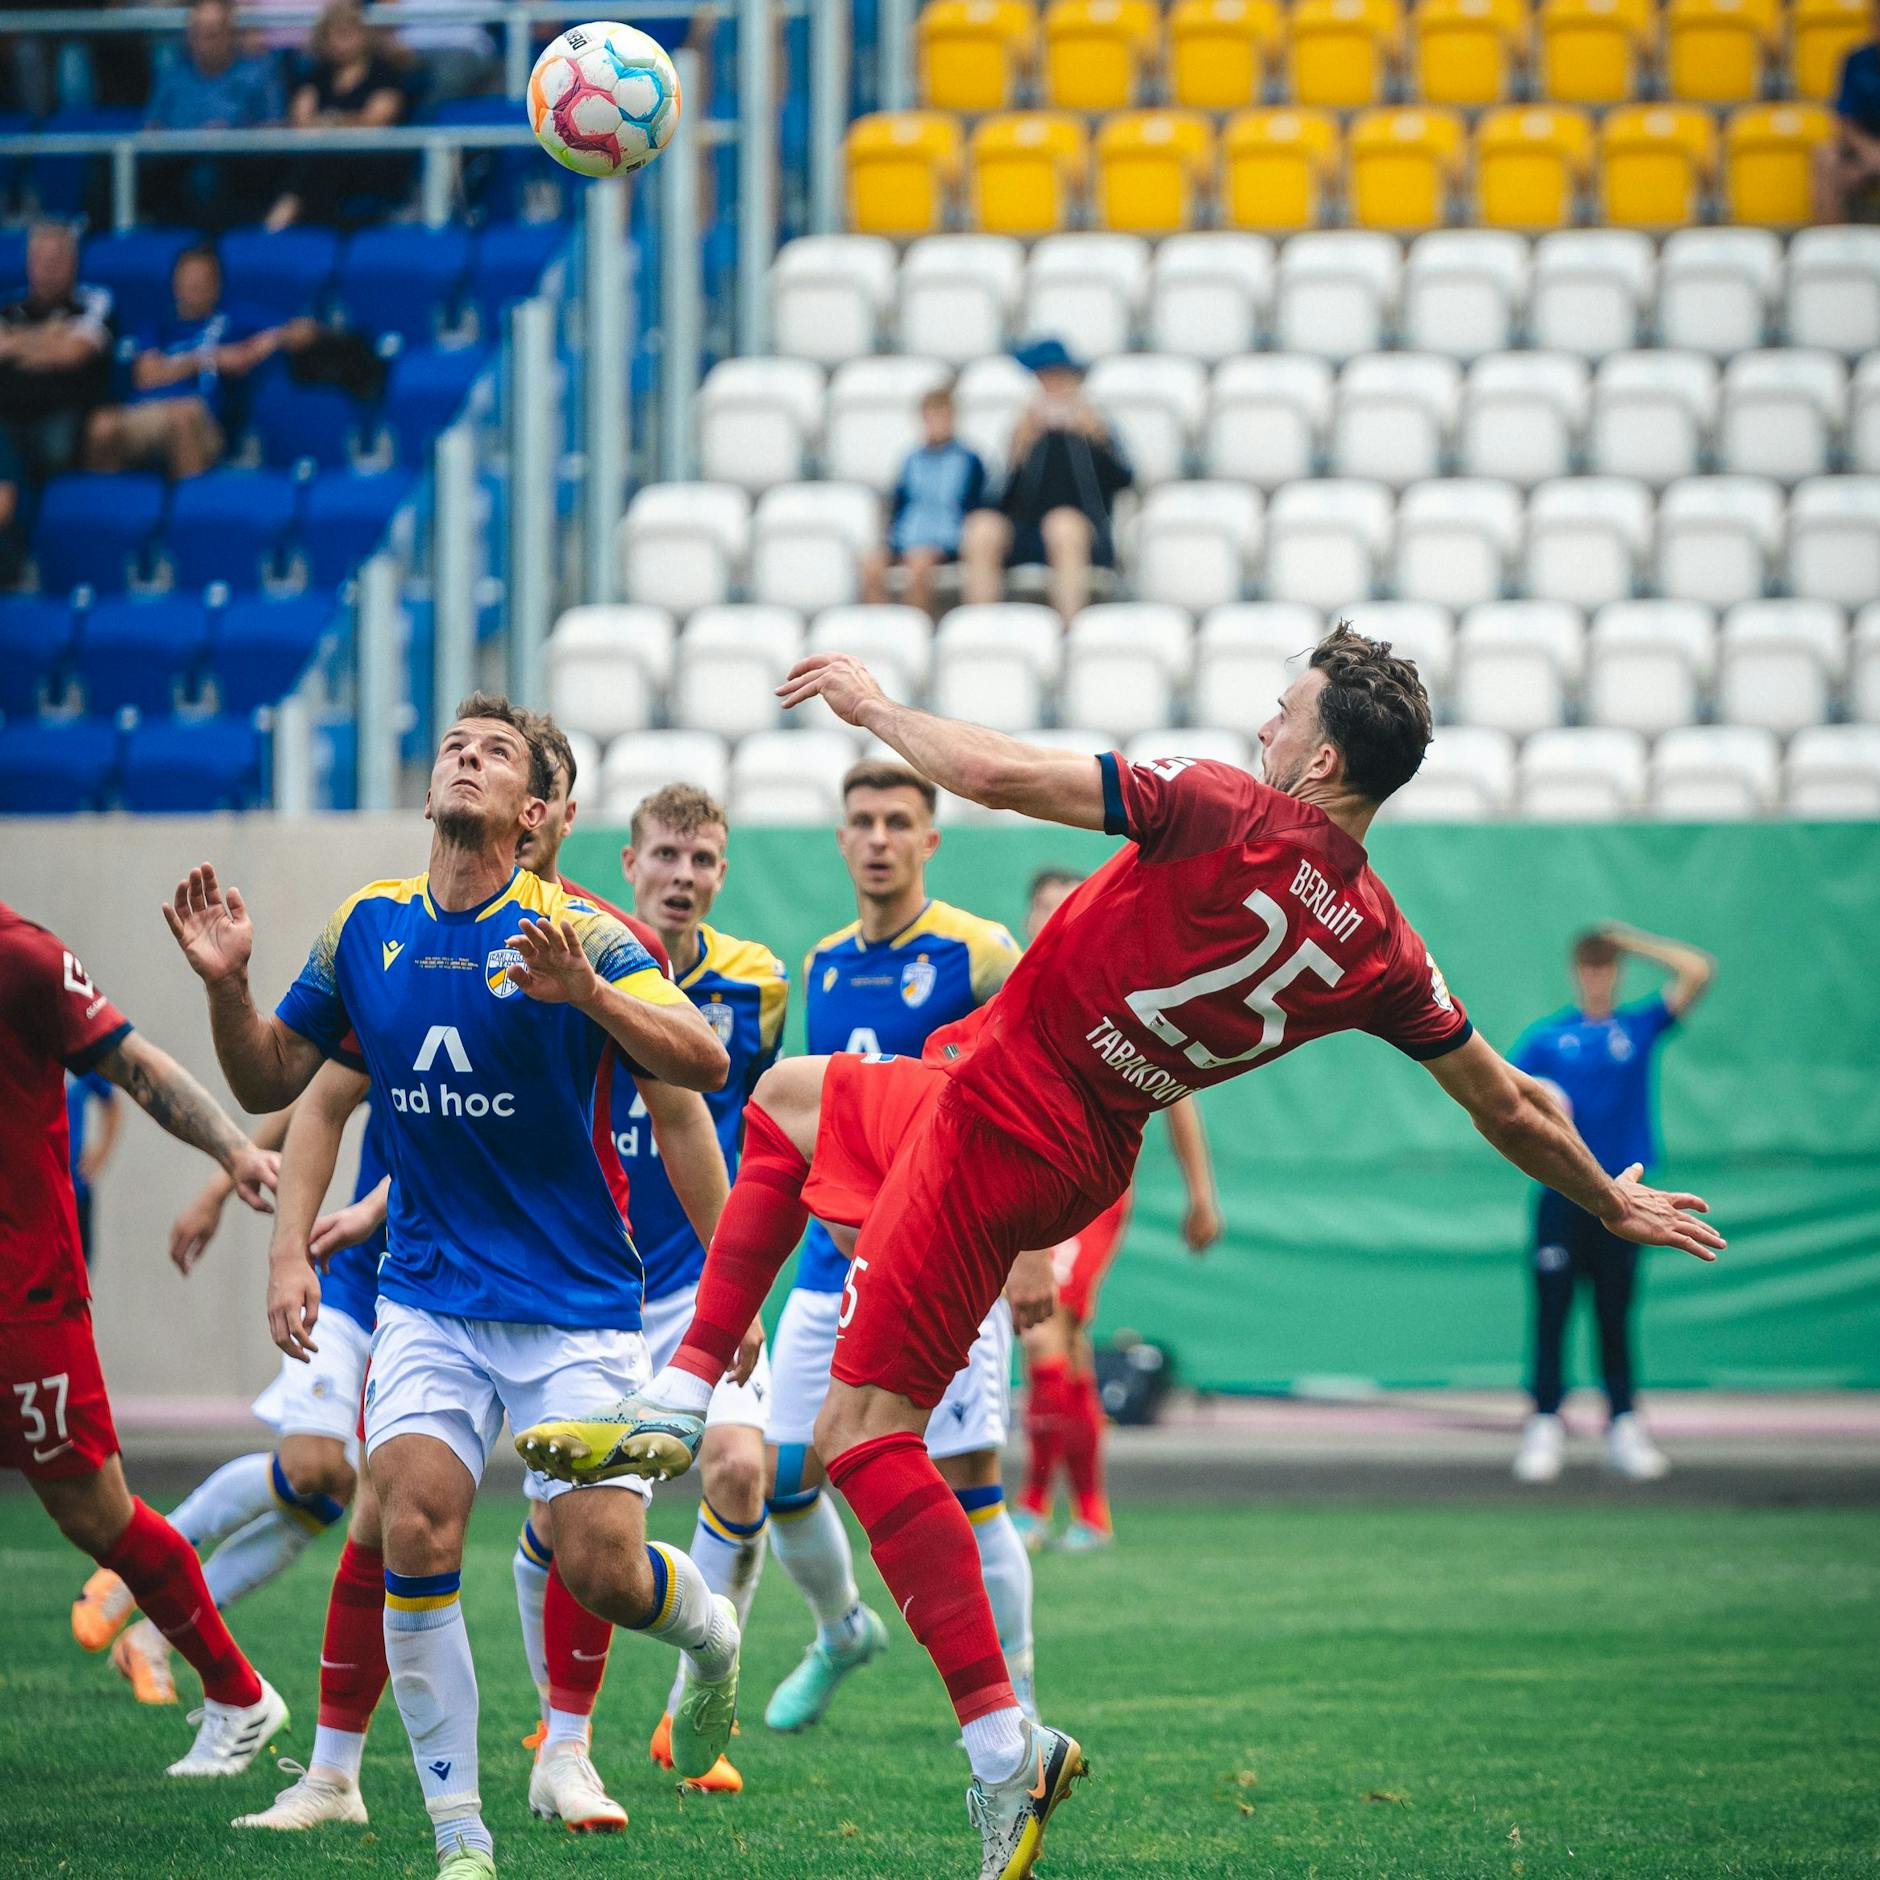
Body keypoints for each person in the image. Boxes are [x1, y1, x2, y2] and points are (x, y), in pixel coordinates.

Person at [526, 625, 1727, 1880]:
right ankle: (677, 1396)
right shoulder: (1379, 942)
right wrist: (1603, 1196)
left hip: (1000, 1116)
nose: (1261, 723)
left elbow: (997, 777)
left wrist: (876, 707)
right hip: (1075, 1140)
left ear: (1318, 758)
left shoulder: (1220, 807)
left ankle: (1005, 1752)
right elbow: (1509, 1103)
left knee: (859, 1436)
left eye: (1281, 710)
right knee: (785, 1097)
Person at [163, 692, 739, 1880]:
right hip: (428, 1297)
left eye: (495, 755)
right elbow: (280, 1074)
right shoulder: (365, 930)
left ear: (535, 812)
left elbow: (702, 1061)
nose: (465, 762)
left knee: (598, 1563)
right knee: (412, 1514)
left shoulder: (582, 933)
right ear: (433, 791)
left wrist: (587, 993)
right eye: (452, 750)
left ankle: (710, 1632)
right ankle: (458, 1836)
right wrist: (229, 985)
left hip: (578, 1303)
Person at [757, 759, 1047, 1740]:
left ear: (930, 839)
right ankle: (840, 1626)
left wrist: (1032, 1244)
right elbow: (820, 1111)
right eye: (861, 821)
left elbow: (1040, 1093)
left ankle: (1019, 1710)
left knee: (970, 1485)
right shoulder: (824, 961)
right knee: (781, 1473)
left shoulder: (980, 953)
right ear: (841, 839)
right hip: (832, 1264)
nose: (877, 837)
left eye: (897, 821)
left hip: (947, 1268)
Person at [0, 897, 288, 1776]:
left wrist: (235, 1153)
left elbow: (132, 1065)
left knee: (96, 1513)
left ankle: (239, 1695)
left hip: (22, 1296)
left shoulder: (25, 959)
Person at [592, 779, 786, 1793]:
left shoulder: (756, 984)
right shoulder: (573, 959)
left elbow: (762, 1123)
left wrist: (741, 1270)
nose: (682, 875)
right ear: (628, 863)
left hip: (699, 1279)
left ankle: (693, 1708)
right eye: (664, 854)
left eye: (702, 858)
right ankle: (559, 1721)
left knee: (742, 1471)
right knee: (569, 1521)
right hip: (583, 1278)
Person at [71, 1083, 379, 1707]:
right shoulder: (415, 1008)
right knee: (312, 1466)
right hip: (351, 1282)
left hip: (432, 1308)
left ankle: (154, 1639)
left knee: (333, 1496)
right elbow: (311, 1103)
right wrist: (217, 1190)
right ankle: (131, 1574)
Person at [1010, 868, 1222, 1554]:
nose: (1052, 919)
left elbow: (1178, 1093)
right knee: (1065, 1348)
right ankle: (1093, 1512)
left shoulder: (1122, 994)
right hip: (1031, 1184)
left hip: (1093, 1191)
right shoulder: (1014, 991)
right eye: (1041, 909)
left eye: (1064, 907)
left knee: (1042, 1332)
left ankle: (1035, 1505)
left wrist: (1201, 1196)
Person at [1508, 925, 1716, 1486]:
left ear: (1616, 972)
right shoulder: (1548, 1040)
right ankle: (1545, 1424)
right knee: (1551, 1315)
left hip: (1628, 1200)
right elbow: (1511, 1103)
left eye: (1607, 967)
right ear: (1578, 973)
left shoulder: (1638, 1028)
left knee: (1614, 1315)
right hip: (1561, 1197)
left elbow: (1698, 970)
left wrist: (1627, 940)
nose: (1598, 976)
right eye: (1591, 966)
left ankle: (1624, 1425)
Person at [88, 246, 308, 484]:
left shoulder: (233, 321)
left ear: (217, 285)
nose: (193, 286)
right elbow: (146, 375)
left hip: (204, 421)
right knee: (102, 424)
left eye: (201, 279)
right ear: (174, 283)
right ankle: (106, 516)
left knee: (183, 415)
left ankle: (189, 513)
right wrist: (209, 358)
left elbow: (301, 331)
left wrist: (251, 351)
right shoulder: (157, 328)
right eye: (187, 278)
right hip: (148, 414)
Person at [959, 337, 1132, 624]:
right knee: (981, 528)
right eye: (1044, 379)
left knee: (1061, 524)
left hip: (1081, 534)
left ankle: (1068, 630)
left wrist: (1097, 440)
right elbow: (999, 498)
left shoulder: (1095, 426)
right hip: (1027, 530)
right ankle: (982, 628)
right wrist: (1017, 454)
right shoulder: (1026, 427)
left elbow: (1123, 481)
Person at [0, 224, 112, 554]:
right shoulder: (9, 308)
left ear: (74, 263)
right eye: (40, 260)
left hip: (63, 415)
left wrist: (16, 343)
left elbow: (73, 353)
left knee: (52, 446)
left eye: (56, 260)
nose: (47, 269)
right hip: (7, 413)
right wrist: (48, 337)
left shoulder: (95, 302)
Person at [267, 0, 412, 231]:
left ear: (364, 35)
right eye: (334, 35)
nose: (341, 42)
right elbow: (300, 121)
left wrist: (328, 122)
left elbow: (376, 120)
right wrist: (340, 123)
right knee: (312, 159)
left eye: (347, 33)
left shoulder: (384, 74)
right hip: (321, 160)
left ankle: (279, 220)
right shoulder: (316, 76)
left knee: (317, 159)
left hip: (368, 162)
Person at [144, 0, 283, 229]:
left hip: (238, 167)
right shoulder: (173, 74)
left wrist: (235, 136)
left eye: (213, 33)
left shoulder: (258, 72)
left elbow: (274, 129)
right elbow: (152, 126)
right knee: (105, 168)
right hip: (175, 163)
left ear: (230, 34)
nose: (205, 42)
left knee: (206, 176)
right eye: (198, 34)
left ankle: (207, 249)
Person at [861, 383, 988, 618]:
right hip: (908, 535)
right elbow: (901, 505)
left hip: (946, 538)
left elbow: (975, 507)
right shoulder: (911, 459)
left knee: (919, 565)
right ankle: (877, 626)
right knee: (870, 564)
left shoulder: (969, 460)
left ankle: (916, 629)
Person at [1814, 10, 1880, 223]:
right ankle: (1831, 243)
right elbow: (1844, 119)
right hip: (1865, 151)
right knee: (1826, 158)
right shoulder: (1857, 60)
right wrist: (1868, 150)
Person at [64, 1068, 119, 1267]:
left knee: (78, 1268)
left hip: (75, 1188)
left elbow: (111, 1103)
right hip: (31, 1195)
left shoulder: (75, 1056)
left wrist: (100, 1153)